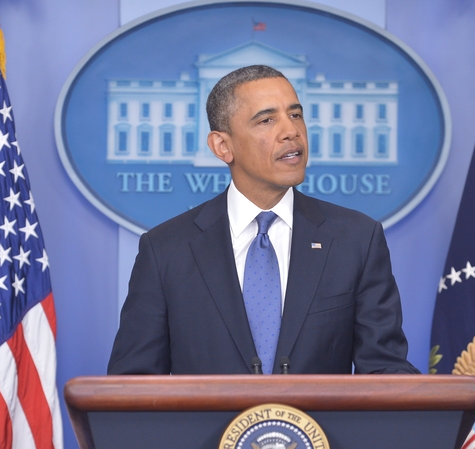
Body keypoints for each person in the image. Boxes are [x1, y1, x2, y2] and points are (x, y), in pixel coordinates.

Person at [107, 65, 418, 375]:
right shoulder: (165, 250)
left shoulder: (357, 240)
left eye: (295, 115)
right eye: (267, 120)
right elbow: (134, 387)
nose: (291, 131)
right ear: (222, 146)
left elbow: (386, 374)